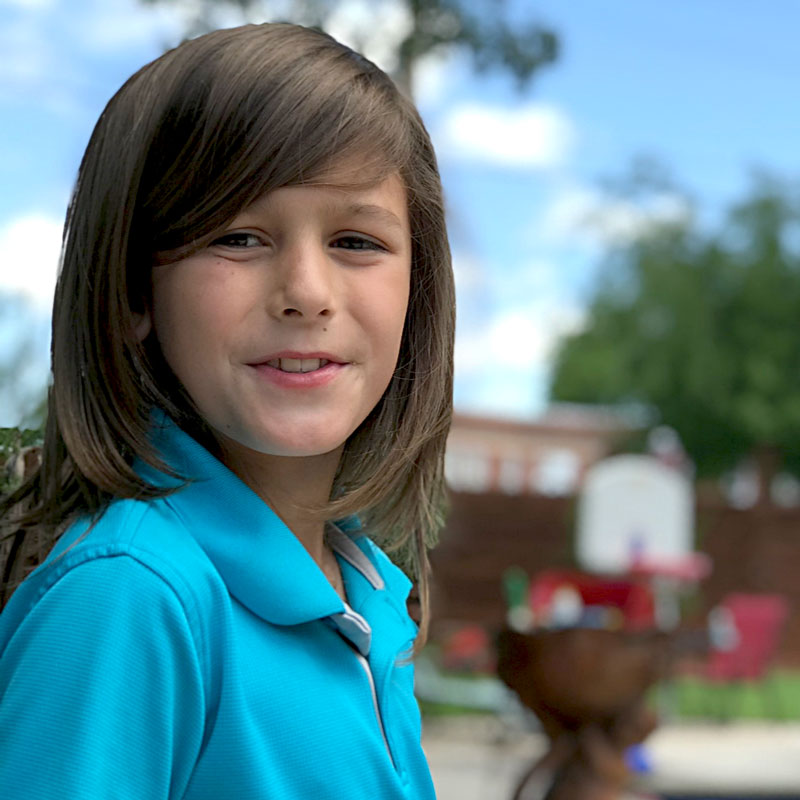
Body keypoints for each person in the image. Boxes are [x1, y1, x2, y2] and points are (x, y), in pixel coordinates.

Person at [0, 23, 454, 800]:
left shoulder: (369, 591)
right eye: (239, 237)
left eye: (355, 240)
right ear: (136, 290)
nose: (307, 292)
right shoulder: (131, 597)